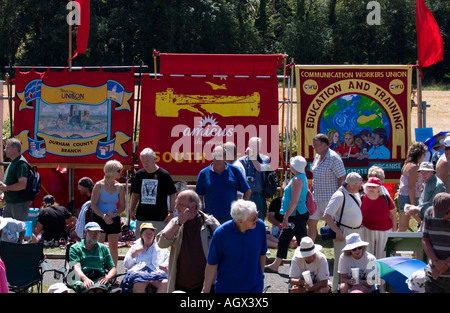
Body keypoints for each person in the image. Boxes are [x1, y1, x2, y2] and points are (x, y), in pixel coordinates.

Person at [156, 190, 220, 293]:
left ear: (193, 206)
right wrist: (178, 222)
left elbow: (223, 250)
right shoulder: (175, 222)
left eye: (180, 204)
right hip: (180, 286)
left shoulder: (210, 223)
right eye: (176, 203)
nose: (176, 207)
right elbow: (161, 243)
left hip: (206, 287)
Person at [202, 200, 267, 293]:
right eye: (253, 218)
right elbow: (212, 263)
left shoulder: (259, 226)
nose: (257, 219)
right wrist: (205, 290)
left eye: (257, 215)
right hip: (227, 288)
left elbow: (262, 254)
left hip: (254, 287)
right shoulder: (221, 234)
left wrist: (260, 277)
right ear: (240, 221)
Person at [265, 156, 309, 273]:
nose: (290, 166)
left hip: (295, 215)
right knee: (283, 240)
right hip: (294, 214)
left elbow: (294, 201)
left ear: (294, 166)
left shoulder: (297, 180)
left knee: (303, 241)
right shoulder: (301, 177)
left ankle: (308, 266)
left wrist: (286, 217)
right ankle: (276, 264)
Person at [323, 172, 363, 292]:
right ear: (350, 185)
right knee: (341, 264)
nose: (360, 188)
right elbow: (327, 215)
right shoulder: (339, 195)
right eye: (358, 186)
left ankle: (349, 288)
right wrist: (338, 232)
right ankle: (336, 289)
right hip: (344, 232)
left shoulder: (353, 192)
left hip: (355, 232)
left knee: (354, 263)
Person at [195, 145, 251, 223]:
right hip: (211, 219)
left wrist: (242, 210)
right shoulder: (203, 173)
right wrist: (202, 214)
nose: (217, 157)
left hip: (231, 218)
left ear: (225, 157)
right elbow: (199, 196)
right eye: (215, 155)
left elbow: (247, 191)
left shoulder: (234, 171)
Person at [130, 148, 177, 238]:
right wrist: (131, 209)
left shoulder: (164, 174)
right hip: (142, 216)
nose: (145, 164)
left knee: (159, 245)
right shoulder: (139, 175)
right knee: (141, 245)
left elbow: (172, 194)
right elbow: (135, 194)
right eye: (143, 161)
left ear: (154, 159)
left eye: (147, 161)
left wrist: (171, 212)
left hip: (160, 217)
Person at [309, 133, 346, 241]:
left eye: (316, 145)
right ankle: (310, 247)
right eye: (313, 145)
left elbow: (342, 178)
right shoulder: (317, 156)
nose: (314, 148)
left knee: (333, 224)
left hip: (330, 198)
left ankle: (337, 243)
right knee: (311, 222)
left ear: (325, 145)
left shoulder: (334, 158)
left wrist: (339, 196)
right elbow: (315, 176)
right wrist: (310, 194)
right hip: (316, 198)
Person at [90, 160, 126, 266]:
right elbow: (93, 205)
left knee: (114, 247)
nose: (121, 173)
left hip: (113, 218)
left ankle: (113, 272)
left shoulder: (119, 187)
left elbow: (123, 206)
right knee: (99, 246)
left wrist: (115, 213)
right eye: (119, 170)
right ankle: (98, 270)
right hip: (100, 218)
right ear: (111, 171)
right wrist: (104, 216)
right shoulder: (99, 185)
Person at [68, 222, 118, 293]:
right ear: (85, 232)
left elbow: (113, 269)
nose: (96, 235)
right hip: (81, 277)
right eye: (93, 232)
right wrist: (85, 279)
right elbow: (76, 268)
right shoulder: (75, 248)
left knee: (99, 290)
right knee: (90, 290)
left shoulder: (103, 248)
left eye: (98, 233)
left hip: (98, 277)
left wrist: (107, 277)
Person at [121, 223, 169, 293]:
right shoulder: (135, 247)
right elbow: (127, 264)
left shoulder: (160, 247)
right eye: (146, 233)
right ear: (141, 235)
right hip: (139, 271)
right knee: (139, 282)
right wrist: (134, 253)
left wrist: (166, 265)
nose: (149, 236)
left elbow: (168, 259)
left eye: (151, 233)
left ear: (154, 235)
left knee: (165, 283)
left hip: (156, 271)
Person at [360, 177, 397, 259]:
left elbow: (393, 215)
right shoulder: (361, 199)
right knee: (367, 255)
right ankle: (369, 271)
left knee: (382, 255)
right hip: (367, 229)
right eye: (369, 186)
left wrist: (394, 232)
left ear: (379, 189)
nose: (371, 189)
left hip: (384, 230)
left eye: (374, 187)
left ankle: (382, 272)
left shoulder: (386, 198)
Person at [421, 193, 450, 293]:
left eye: (444, 214)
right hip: (433, 274)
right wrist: (436, 262)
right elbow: (425, 240)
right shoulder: (429, 213)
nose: (440, 217)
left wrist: (444, 265)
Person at [238, 137, 272, 220]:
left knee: (259, 219)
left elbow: (260, 168)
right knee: (245, 219)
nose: (254, 148)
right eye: (252, 146)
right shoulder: (241, 161)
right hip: (246, 195)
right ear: (248, 146)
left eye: (257, 146)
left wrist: (252, 157)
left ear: (260, 147)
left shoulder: (265, 159)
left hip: (259, 195)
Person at [397, 142, 427, 231]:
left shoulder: (406, 165)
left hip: (402, 196)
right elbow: (411, 187)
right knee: (423, 222)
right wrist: (413, 204)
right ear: (419, 155)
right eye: (424, 154)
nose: (424, 156)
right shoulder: (414, 167)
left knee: (403, 226)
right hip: (409, 198)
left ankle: (393, 242)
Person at [0, 138, 31, 221]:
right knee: (7, 230)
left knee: (22, 231)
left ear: (15, 149)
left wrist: (6, 188)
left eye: (7, 147)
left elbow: (22, 185)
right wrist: (5, 192)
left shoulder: (21, 163)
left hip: (19, 204)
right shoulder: (13, 162)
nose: (5, 149)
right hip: (10, 203)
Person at [73, 177, 95, 241]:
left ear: (86, 188)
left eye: (80, 187)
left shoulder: (93, 198)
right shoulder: (89, 197)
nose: (78, 189)